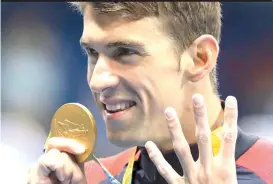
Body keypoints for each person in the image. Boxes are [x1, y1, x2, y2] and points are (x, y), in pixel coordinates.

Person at [27, 2, 273, 184]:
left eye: (124, 53)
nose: (98, 80)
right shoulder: (86, 179)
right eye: (92, 53)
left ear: (200, 58)